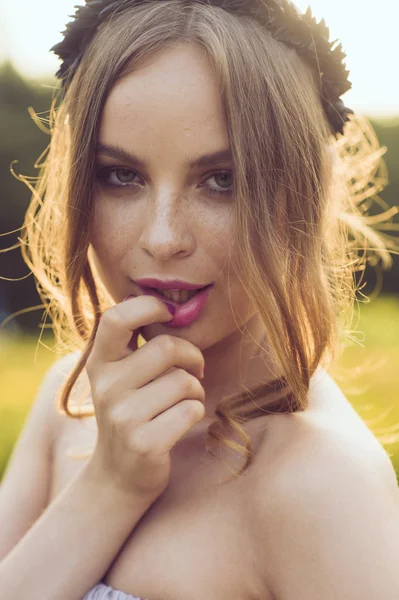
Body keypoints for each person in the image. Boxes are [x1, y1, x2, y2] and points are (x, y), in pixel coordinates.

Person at [0, 0, 399, 598]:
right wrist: (109, 486)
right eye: (120, 176)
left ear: (302, 197)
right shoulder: (72, 404)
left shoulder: (322, 484)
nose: (163, 239)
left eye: (223, 181)